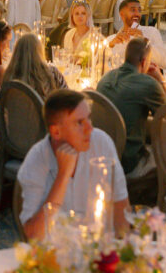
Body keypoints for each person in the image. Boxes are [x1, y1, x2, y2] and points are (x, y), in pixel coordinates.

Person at [17, 89, 129, 239]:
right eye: (80, 123)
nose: (89, 128)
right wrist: (63, 176)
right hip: (55, 255)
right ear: (56, 132)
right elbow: (34, 235)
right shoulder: (36, 161)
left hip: (97, 249)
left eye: (89, 118)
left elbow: (121, 206)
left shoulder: (102, 144)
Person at [97, 35, 166, 178]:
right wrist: (161, 80)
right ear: (144, 62)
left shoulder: (106, 78)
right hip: (128, 162)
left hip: (104, 155)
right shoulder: (148, 84)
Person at [105, 0, 166, 68]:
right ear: (122, 14)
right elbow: (98, 65)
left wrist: (144, 42)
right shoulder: (111, 40)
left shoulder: (151, 32)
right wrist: (110, 46)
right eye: (133, 10)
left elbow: (165, 63)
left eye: (139, 10)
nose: (137, 14)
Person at [2, 32, 66, 98]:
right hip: (46, 108)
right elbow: (69, 98)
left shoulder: (9, 76)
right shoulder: (52, 73)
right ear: (40, 51)